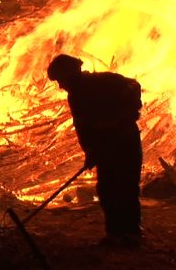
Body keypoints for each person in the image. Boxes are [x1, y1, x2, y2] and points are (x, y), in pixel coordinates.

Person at [47, 54, 144, 247]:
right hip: (106, 147)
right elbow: (82, 126)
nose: (60, 85)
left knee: (126, 187)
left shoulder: (104, 81)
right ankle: (116, 233)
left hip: (126, 142)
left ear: (70, 74)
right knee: (108, 190)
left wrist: (128, 113)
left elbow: (134, 86)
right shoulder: (75, 95)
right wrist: (90, 151)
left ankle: (131, 233)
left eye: (60, 79)